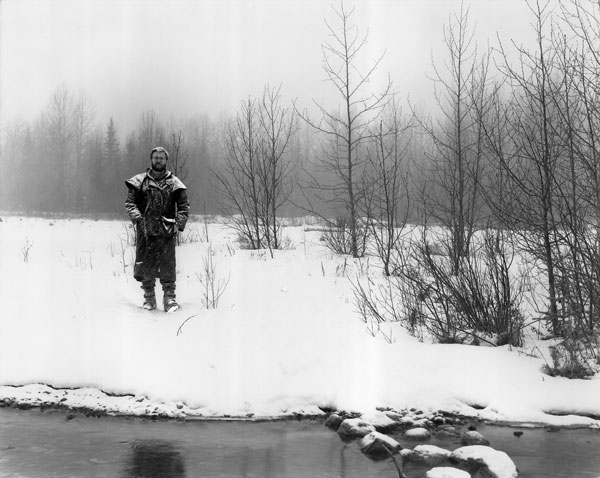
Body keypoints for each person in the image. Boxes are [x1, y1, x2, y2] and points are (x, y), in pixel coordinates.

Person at [125, 146, 190, 312]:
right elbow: (130, 203)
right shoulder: (140, 181)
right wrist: (138, 219)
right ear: (151, 159)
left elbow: (183, 206)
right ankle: (149, 298)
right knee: (146, 264)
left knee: (168, 264)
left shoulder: (174, 183)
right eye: (156, 157)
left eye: (161, 158)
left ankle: (170, 298)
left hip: (166, 231)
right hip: (145, 230)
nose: (158, 160)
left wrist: (178, 223)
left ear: (166, 160)